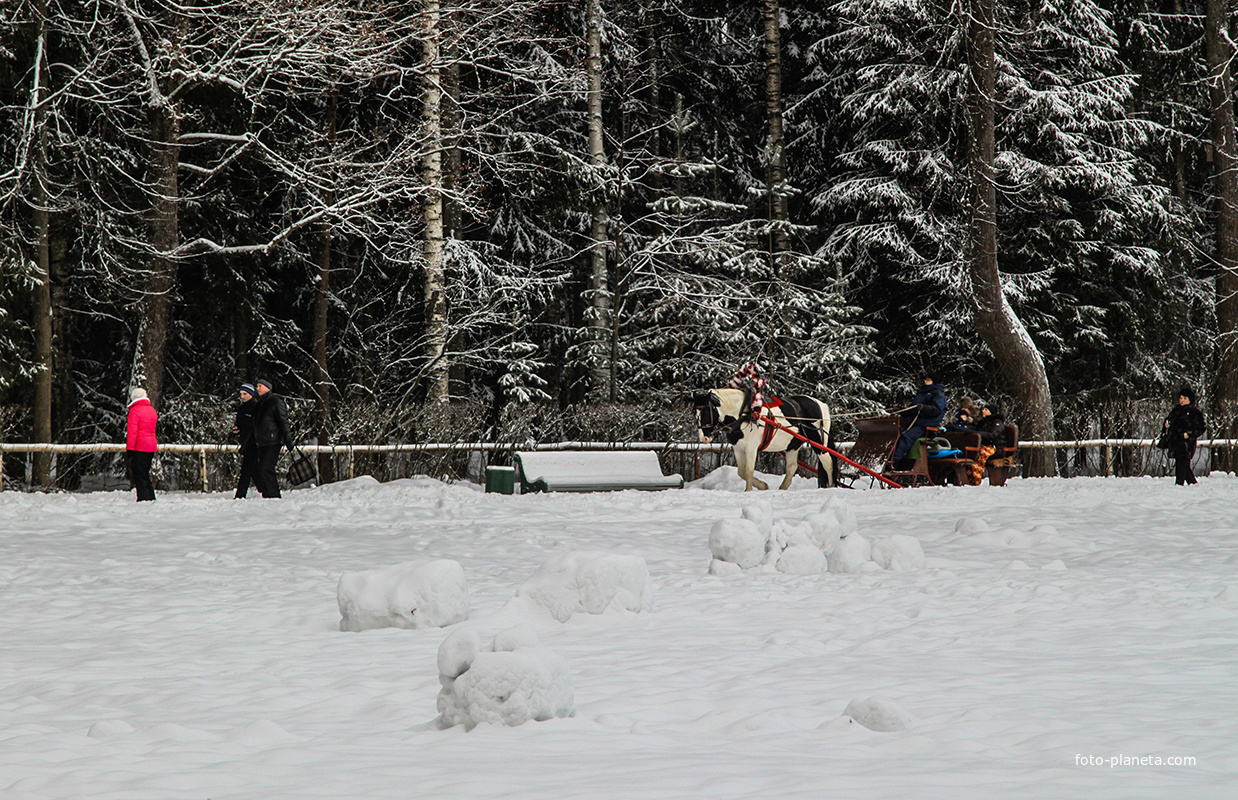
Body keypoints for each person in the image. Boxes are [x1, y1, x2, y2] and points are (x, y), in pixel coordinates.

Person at [251, 377, 294, 498]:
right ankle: (268, 493)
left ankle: (274, 494)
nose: (257, 388)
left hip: (273, 440)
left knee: (267, 468)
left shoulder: (275, 402)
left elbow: (283, 422)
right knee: (261, 469)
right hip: (261, 441)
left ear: (267, 387)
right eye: (257, 386)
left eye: (260, 386)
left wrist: (288, 440)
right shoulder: (259, 404)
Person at [892, 372, 948, 461]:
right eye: (925, 379)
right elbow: (913, 409)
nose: (925, 381)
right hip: (914, 423)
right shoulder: (922, 394)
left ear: (934, 382)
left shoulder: (938, 395)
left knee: (906, 437)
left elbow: (936, 410)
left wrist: (924, 408)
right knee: (895, 436)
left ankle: (892, 462)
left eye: (928, 379)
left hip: (925, 426)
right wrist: (900, 411)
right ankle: (888, 460)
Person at [1161, 386, 1206, 486]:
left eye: (1184, 398)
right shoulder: (1175, 411)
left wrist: (1189, 434)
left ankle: (1179, 485)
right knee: (1183, 465)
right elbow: (1169, 422)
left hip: (1186, 444)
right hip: (1175, 443)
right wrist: (1166, 425)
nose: (1182, 400)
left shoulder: (1194, 413)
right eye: (1181, 398)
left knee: (1182, 464)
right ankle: (1193, 484)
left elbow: (1201, 428)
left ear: (1190, 399)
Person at [126, 387, 158, 501]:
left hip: (140, 447)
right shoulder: (151, 410)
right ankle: (150, 496)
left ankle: (143, 498)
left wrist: (130, 448)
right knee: (145, 473)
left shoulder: (134, 411)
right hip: (151, 446)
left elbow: (132, 432)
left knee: (139, 474)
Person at [233, 383, 259, 498]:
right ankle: (265, 490)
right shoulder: (242, 408)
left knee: (246, 469)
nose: (242, 396)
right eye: (241, 394)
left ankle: (240, 494)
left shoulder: (257, 407)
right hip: (245, 441)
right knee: (253, 469)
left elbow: (256, 426)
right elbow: (240, 424)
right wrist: (237, 429)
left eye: (245, 394)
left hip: (253, 442)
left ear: (251, 394)